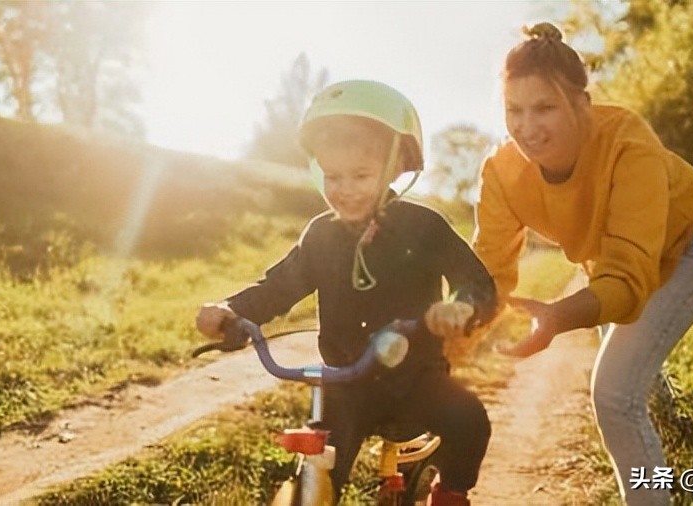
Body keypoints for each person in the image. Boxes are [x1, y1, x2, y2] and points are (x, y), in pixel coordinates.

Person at [196, 80, 497, 506]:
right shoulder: (322, 235)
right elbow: (280, 286)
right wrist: (231, 311)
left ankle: (448, 494)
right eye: (333, 176)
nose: (345, 189)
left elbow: (478, 282)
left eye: (360, 175)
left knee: (469, 418)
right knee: (318, 473)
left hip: (417, 378)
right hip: (345, 386)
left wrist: (462, 307)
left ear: (394, 169)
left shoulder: (425, 228)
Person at [472, 23, 693, 506]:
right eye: (514, 110)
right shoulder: (502, 173)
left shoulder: (628, 144)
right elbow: (487, 271)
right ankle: (690, 454)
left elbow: (630, 274)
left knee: (615, 395)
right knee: (638, 386)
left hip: (690, 244)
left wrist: (558, 317)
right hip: (610, 261)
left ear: (581, 105)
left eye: (545, 107)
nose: (527, 127)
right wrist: (446, 334)